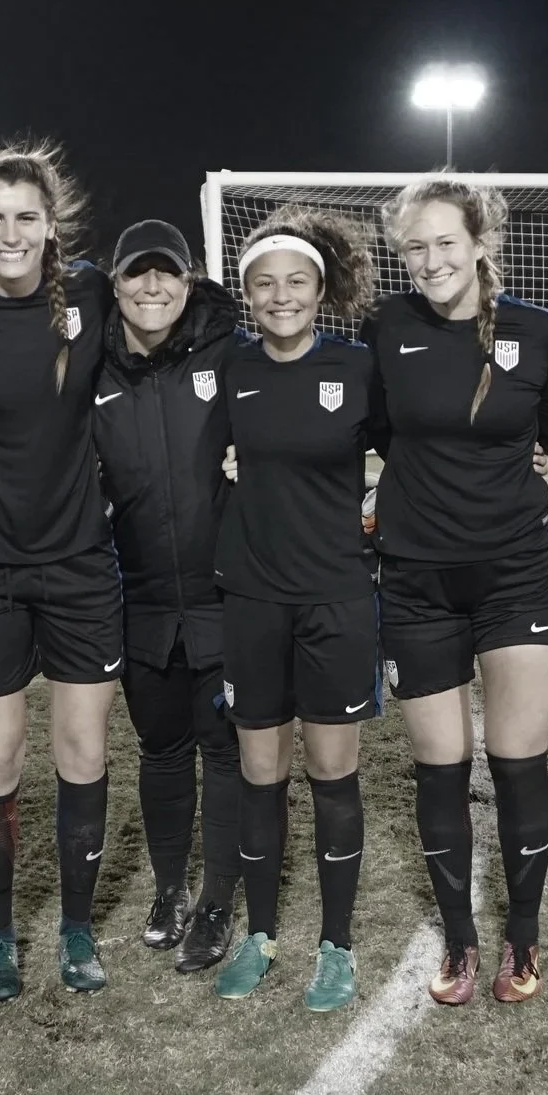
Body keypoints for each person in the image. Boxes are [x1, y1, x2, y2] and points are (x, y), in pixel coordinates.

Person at [366, 177, 548, 1006]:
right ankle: (459, 938)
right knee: (440, 767)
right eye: (414, 247)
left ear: (481, 243)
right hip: (416, 578)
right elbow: (369, 427)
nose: (430, 260)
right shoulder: (386, 327)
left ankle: (522, 937)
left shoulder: (539, 332)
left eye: (445, 242)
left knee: (519, 763)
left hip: (516, 575)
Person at [0, 136, 122, 1000]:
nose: (11, 234)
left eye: (27, 218)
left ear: (52, 225)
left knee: (81, 748)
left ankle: (77, 929)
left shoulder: (89, 294)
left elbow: (187, 321)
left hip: (80, 563)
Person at [207, 208, 383, 1009]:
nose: (281, 296)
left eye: (297, 282)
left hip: (337, 596)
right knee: (260, 772)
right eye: (265, 284)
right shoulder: (231, 367)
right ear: (247, 296)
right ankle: (261, 934)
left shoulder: (358, 366)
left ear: (320, 291)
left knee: (333, 772)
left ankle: (336, 945)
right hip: (252, 596)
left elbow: (414, 445)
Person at [92, 220, 243, 972]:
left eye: (167, 273)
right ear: (115, 283)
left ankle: (216, 899)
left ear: (190, 282)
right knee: (161, 749)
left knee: (225, 750)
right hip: (141, 597)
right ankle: (169, 888)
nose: (152, 287)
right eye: (137, 273)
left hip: (224, 596)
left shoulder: (229, 353)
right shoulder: (90, 368)